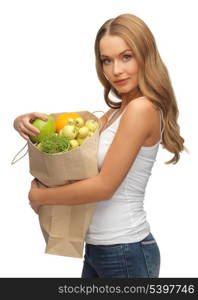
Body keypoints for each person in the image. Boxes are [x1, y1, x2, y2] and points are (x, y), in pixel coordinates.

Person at [13, 13, 188, 278]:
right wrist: (22, 122)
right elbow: (69, 133)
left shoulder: (141, 109)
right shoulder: (117, 112)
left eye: (126, 56)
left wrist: (41, 197)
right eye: (107, 60)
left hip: (125, 250)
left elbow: (105, 186)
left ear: (145, 55)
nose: (115, 70)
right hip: (99, 249)